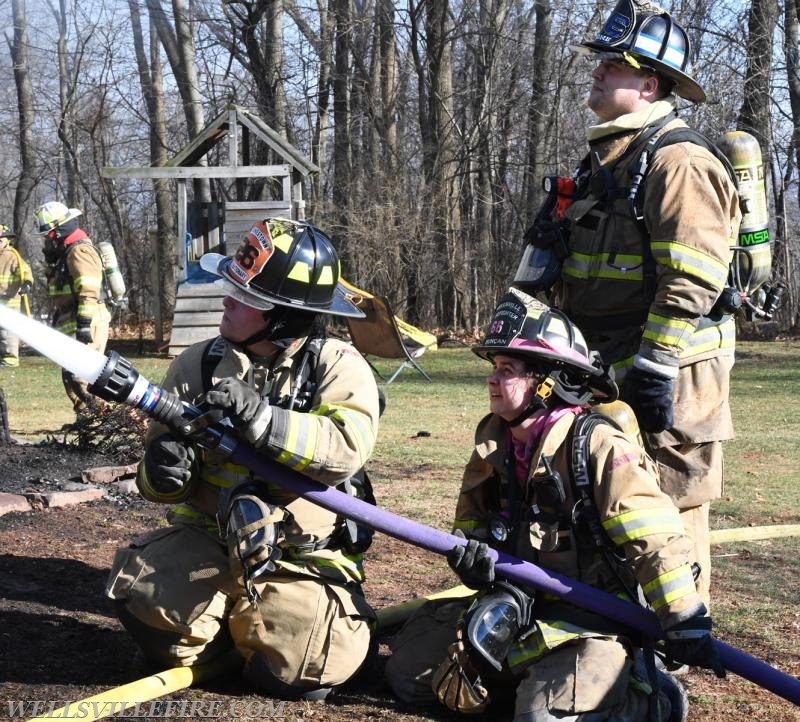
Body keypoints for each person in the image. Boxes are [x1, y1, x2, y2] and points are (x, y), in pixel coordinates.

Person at [385, 288, 725, 721]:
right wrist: (470, 561)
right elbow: (470, 526)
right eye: (494, 367)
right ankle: (531, 686)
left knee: (543, 718)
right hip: (520, 607)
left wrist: (684, 620)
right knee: (408, 676)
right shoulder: (494, 442)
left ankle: (650, 697)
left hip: (592, 620)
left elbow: (654, 537)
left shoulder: (597, 445)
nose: (491, 379)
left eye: (508, 369)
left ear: (549, 382)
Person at [515, 0, 741, 608]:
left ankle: (676, 645)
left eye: (612, 65)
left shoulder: (679, 161)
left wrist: (655, 368)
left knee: (669, 500)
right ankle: (615, 642)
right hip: (608, 364)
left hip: (673, 375)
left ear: (648, 83)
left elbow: (692, 277)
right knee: (611, 495)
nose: (595, 73)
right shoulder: (608, 160)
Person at [106, 217, 381, 701]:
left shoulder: (337, 365)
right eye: (230, 286)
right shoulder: (198, 363)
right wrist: (162, 468)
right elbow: (159, 487)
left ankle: (286, 626)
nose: (227, 300)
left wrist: (262, 419)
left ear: (285, 315)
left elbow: (344, 446)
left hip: (298, 549)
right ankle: (222, 634)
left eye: (246, 297)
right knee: (147, 610)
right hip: (207, 535)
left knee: (303, 670)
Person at [35, 201, 112, 412]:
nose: (47, 240)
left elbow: (89, 290)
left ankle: (110, 419)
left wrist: (85, 324)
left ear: (59, 231)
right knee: (71, 377)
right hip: (71, 322)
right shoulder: (67, 253)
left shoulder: (79, 252)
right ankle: (86, 420)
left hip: (88, 322)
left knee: (80, 377)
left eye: (49, 235)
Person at [0, 225, 34, 367]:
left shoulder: (13, 256)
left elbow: (26, 271)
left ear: (7, 240)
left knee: (8, 332)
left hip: (9, 300)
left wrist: (27, 283)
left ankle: (11, 358)